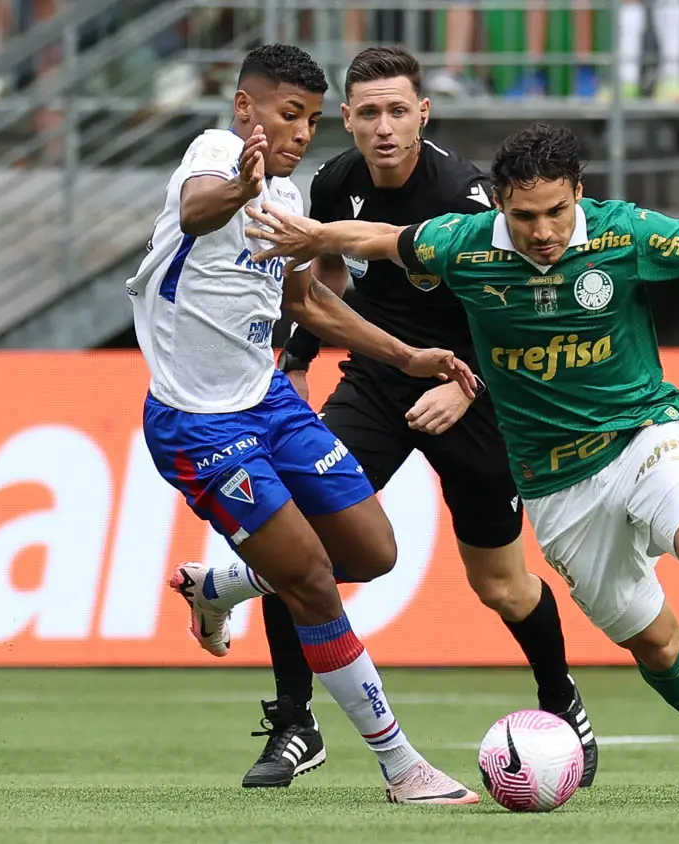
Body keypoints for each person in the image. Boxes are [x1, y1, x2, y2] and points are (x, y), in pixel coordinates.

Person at [243, 122, 679, 803]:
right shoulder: (465, 243)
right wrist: (316, 235)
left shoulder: (625, 234)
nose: (542, 232)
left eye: (555, 212)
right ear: (501, 205)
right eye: (524, 217)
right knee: (658, 647)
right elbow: (386, 242)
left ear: (579, 193)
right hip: (555, 486)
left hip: (643, 435)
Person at [207, 45, 599, 790]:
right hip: (381, 381)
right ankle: (295, 722)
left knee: (502, 586)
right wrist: (297, 357)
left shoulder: (465, 194)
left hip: (470, 386)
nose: (384, 127)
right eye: (368, 113)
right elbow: (325, 275)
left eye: (398, 111)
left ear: (423, 113)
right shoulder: (335, 181)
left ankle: (560, 699)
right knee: (303, 542)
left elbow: (518, 308)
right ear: (347, 120)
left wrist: (469, 385)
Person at [125, 43, 479, 806]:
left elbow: (306, 303)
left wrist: (406, 355)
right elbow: (197, 209)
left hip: (268, 401)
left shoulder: (287, 200)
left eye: (312, 122)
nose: (299, 135)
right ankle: (401, 766)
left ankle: (221, 583)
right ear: (246, 108)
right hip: (199, 426)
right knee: (314, 582)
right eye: (289, 116)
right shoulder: (216, 154)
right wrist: (245, 180)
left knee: (372, 550)